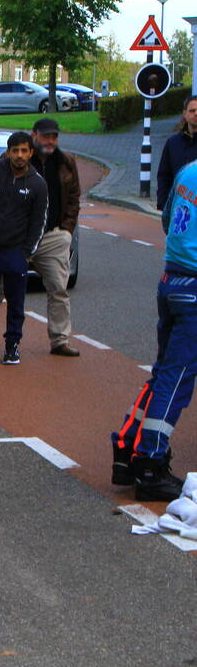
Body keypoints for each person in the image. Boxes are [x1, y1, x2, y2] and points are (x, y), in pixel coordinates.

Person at [118, 158, 197, 500]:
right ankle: (150, 463)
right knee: (176, 378)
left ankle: (126, 447)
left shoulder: (188, 171)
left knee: (164, 373)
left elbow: (166, 219)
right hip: (195, 286)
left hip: (172, 279)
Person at [0, 132, 48, 366]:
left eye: (24, 151)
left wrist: (26, 253)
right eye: (15, 151)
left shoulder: (37, 184)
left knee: (16, 303)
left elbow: (38, 222)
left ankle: (12, 345)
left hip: (16, 252)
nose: (20, 156)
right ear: (9, 151)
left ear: (31, 153)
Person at [30, 117, 81, 357]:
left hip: (53, 236)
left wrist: (66, 231)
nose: (50, 140)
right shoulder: (19, 158)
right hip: (19, 238)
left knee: (59, 288)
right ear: (34, 135)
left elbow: (73, 199)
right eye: (46, 135)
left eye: (54, 136)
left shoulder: (66, 162)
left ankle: (60, 340)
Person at [156, 94, 197, 211]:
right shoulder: (173, 143)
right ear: (185, 113)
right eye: (192, 110)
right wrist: (163, 204)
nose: (196, 114)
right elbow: (164, 175)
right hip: (178, 207)